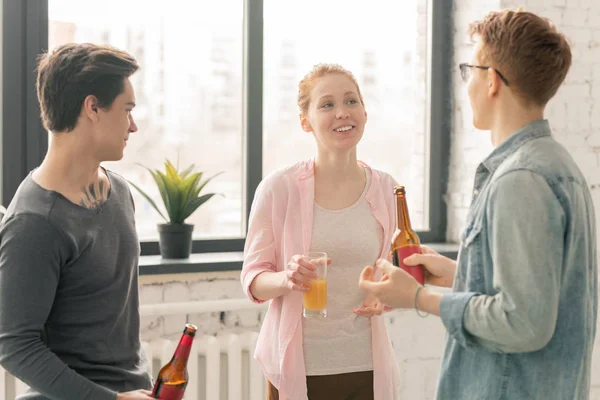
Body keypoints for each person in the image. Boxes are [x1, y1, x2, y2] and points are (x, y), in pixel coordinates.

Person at [359, 8, 597, 400]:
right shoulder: (556, 166)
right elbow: (538, 294)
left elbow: (524, 323)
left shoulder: (521, 180)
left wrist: (416, 297)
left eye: (469, 69)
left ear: (491, 82)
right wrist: (460, 274)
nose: (465, 83)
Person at [0, 43, 154, 399]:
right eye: (127, 109)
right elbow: (15, 346)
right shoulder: (35, 222)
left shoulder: (118, 190)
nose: (134, 125)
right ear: (93, 107)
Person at [241, 63, 401, 400]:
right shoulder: (278, 188)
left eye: (351, 101)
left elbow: (395, 269)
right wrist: (288, 279)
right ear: (306, 121)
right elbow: (253, 278)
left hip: (367, 365)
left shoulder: (387, 190)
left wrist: (384, 294)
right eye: (327, 104)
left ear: (365, 113)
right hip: (298, 366)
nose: (342, 112)